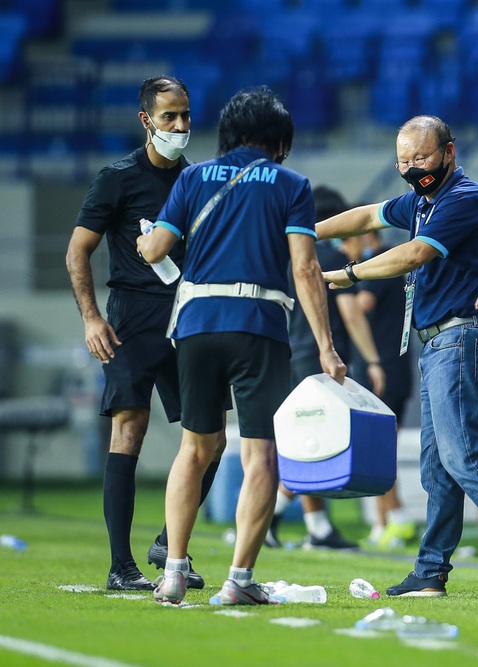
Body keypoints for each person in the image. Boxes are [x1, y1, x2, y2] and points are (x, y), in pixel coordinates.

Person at [316, 115, 478, 598]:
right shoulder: (421, 202)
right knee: (437, 467)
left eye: (421, 158)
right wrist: (304, 232)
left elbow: (414, 255)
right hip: (439, 344)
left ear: (449, 151)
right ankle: (430, 571)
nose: (412, 169)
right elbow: (366, 217)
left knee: (461, 454)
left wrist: (350, 273)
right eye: (403, 162)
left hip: (463, 338)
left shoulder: (465, 198)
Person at [137, 87, 347, 605]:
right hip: (258, 325)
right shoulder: (291, 185)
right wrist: (326, 346)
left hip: (196, 324)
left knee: (194, 450)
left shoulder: (192, 178)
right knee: (261, 456)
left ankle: (174, 573)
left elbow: (157, 249)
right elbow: (305, 268)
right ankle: (239, 581)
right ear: (279, 139)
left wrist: (144, 241)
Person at [66, 76, 226, 592]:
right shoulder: (117, 179)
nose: (179, 125)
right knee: (129, 430)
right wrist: (92, 318)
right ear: (146, 120)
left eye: (185, 116)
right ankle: (121, 567)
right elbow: (77, 251)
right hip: (131, 319)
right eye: (168, 117)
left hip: (189, 317)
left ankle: (167, 545)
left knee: (214, 439)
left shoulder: (197, 181)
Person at [267, 186, 384, 552]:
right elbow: (350, 313)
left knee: (305, 439)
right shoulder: (331, 255)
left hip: (287, 353)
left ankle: (316, 527)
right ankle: (264, 518)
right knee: (317, 442)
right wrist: (374, 360)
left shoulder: (285, 256)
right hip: (319, 357)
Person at [341, 228, 417, 550]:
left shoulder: (379, 264)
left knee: (379, 448)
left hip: (383, 370)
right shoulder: (390, 265)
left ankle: (397, 517)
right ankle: (382, 522)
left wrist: (336, 290)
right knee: (375, 447)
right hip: (389, 368)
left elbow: (359, 305)